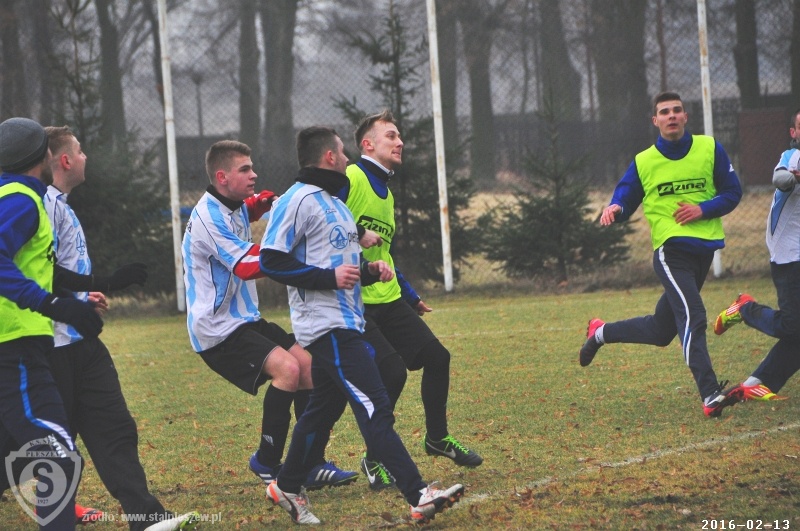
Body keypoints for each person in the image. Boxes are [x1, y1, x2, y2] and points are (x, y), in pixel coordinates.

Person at [260, 125, 464, 525]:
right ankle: (418, 494)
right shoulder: (296, 200)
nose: (348, 158)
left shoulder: (335, 204)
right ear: (329, 157)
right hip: (327, 326)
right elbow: (271, 260)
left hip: (348, 320)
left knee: (322, 409)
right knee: (375, 406)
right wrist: (328, 279)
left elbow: (341, 264)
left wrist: (369, 271)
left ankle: (286, 484)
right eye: (343, 152)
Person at [43, 125, 200, 531]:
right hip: (50, 348)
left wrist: (83, 298)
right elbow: (40, 273)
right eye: (80, 151)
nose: (85, 157)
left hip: (81, 341)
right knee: (42, 443)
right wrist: (100, 285)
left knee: (114, 426)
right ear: (65, 160)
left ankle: (145, 517)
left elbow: (58, 273)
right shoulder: (43, 204)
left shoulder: (60, 203)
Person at [181, 140, 357, 493]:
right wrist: (293, 251)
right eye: (244, 169)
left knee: (310, 366)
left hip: (244, 319)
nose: (254, 174)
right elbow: (247, 265)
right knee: (288, 369)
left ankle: (310, 463)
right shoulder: (208, 219)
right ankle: (267, 460)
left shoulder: (231, 205)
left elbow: (244, 211)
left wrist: (257, 205)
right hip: (217, 328)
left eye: (252, 167)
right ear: (222, 177)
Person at [335, 110, 481, 491]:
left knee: (437, 357)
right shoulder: (352, 177)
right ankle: (374, 457)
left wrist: (411, 296)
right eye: (391, 136)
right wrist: (357, 231)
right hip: (355, 302)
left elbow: (384, 253)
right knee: (392, 373)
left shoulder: (386, 193)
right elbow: (321, 218)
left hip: (388, 298)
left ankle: (437, 438)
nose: (400, 142)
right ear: (367, 144)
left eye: (400, 136)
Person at [578, 91, 744, 418]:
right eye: (664, 112)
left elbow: (732, 192)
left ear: (685, 117)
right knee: (694, 314)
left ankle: (600, 332)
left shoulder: (709, 148)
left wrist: (702, 209)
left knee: (661, 330)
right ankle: (710, 394)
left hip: (703, 252)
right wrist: (616, 207)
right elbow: (626, 194)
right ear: (656, 121)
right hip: (671, 252)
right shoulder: (645, 160)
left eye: (677, 110)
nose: (671, 116)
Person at [0, 117, 103, 529]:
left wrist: (74, 297)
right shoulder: (22, 200)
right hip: (14, 344)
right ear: (43, 156)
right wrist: (50, 304)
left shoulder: (19, 196)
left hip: (23, 343)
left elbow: (33, 267)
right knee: (58, 456)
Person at [713, 108, 800, 401]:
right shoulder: (793, 156)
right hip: (789, 253)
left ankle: (757, 383)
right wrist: (795, 177)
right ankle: (744, 308)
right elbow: (780, 178)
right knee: (793, 326)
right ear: (794, 133)